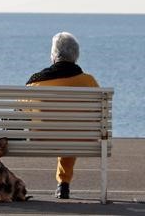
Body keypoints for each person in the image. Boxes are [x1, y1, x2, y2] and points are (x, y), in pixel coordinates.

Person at [26, 31, 99, 199]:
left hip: (40, 140)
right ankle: (63, 182)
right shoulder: (89, 82)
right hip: (79, 139)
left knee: (63, 131)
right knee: (71, 132)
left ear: (53, 56)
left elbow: (22, 114)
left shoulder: (36, 82)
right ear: (76, 56)